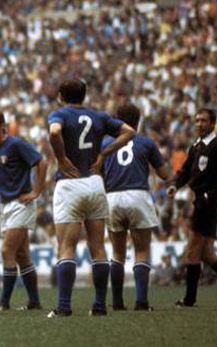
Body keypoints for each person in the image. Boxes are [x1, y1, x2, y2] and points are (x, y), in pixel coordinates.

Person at [46, 78, 135, 317]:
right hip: (95, 182)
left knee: (66, 247)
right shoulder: (99, 116)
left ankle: (64, 306)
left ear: (61, 95)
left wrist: (62, 158)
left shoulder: (59, 114)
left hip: (70, 184)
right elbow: (130, 131)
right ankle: (98, 306)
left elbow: (54, 132)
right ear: (83, 96)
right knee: (98, 247)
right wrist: (104, 152)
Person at [101, 104, 169, 311]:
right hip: (138, 195)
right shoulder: (146, 142)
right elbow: (164, 175)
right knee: (141, 250)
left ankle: (118, 302)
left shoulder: (104, 142)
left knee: (117, 253)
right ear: (138, 121)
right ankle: (141, 302)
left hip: (112, 197)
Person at [0, 110, 46, 311]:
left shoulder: (16, 144)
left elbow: (41, 162)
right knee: (22, 255)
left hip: (21, 203)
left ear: (1, 125)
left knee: (6, 250)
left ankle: (4, 302)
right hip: (5, 204)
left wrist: (36, 191)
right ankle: (34, 301)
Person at [166, 108, 217, 307]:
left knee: (192, 251)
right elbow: (184, 171)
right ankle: (190, 298)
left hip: (208, 202)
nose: (199, 124)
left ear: (212, 124)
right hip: (200, 200)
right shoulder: (196, 146)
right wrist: (175, 184)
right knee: (208, 254)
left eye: (203, 121)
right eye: (197, 120)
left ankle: (189, 300)